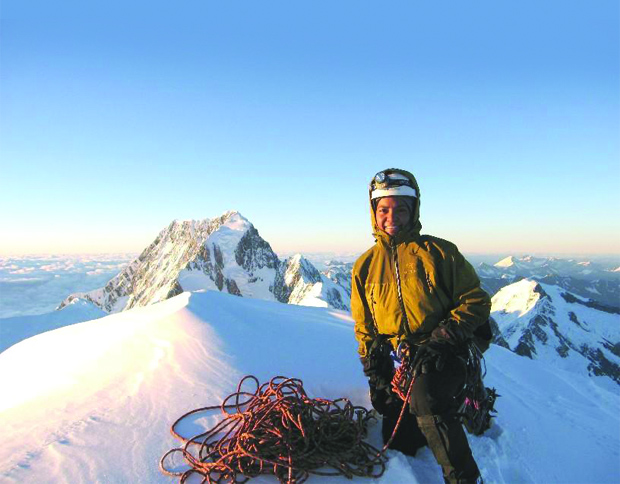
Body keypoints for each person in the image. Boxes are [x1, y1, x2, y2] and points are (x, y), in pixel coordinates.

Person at [351, 168, 492, 484]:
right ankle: (446, 406)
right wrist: (374, 370)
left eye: (401, 209)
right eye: (384, 209)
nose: (392, 217)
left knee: (426, 396)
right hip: (402, 358)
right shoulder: (364, 266)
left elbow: (477, 301)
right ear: (373, 212)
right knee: (403, 439)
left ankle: (464, 477)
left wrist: (443, 337)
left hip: (446, 348)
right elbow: (364, 326)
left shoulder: (439, 253)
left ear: (413, 211)